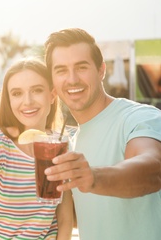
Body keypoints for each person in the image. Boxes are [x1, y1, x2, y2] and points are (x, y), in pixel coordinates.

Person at [44, 28, 161, 240]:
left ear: (101, 71)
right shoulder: (69, 144)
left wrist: (94, 178)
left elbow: (152, 169)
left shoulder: (138, 117)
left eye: (81, 67)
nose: (72, 79)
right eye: (61, 70)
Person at [0, 58, 74, 239]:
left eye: (37, 90)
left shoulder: (60, 146)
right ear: (9, 100)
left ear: (52, 95)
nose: (28, 101)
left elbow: (64, 218)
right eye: (17, 93)